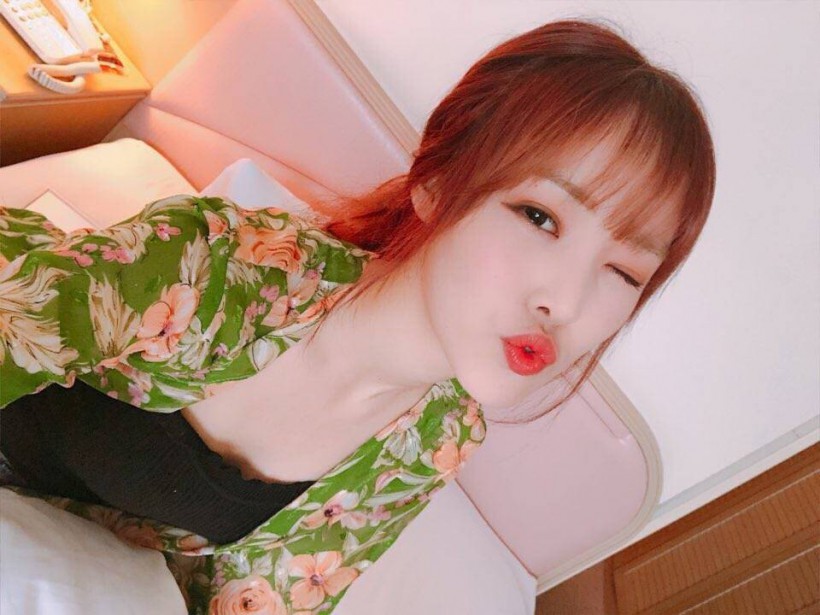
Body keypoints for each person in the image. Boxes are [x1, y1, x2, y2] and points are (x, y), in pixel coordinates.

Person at [0, 18, 715, 615]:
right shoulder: (217, 269)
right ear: (437, 184)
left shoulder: (438, 438)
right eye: (539, 216)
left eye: (625, 271)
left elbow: (247, 599)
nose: (568, 304)